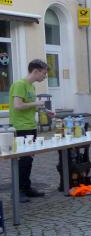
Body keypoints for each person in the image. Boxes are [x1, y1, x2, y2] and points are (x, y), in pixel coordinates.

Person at [9, 59, 51, 203]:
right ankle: (18, 191)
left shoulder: (31, 86)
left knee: (29, 159)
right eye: (43, 74)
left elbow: (31, 106)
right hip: (21, 127)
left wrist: (46, 111)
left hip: (31, 126)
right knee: (23, 160)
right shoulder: (20, 85)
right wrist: (36, 103)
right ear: (35, 71)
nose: (44, 77)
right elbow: (17, 105)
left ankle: (26, 188)